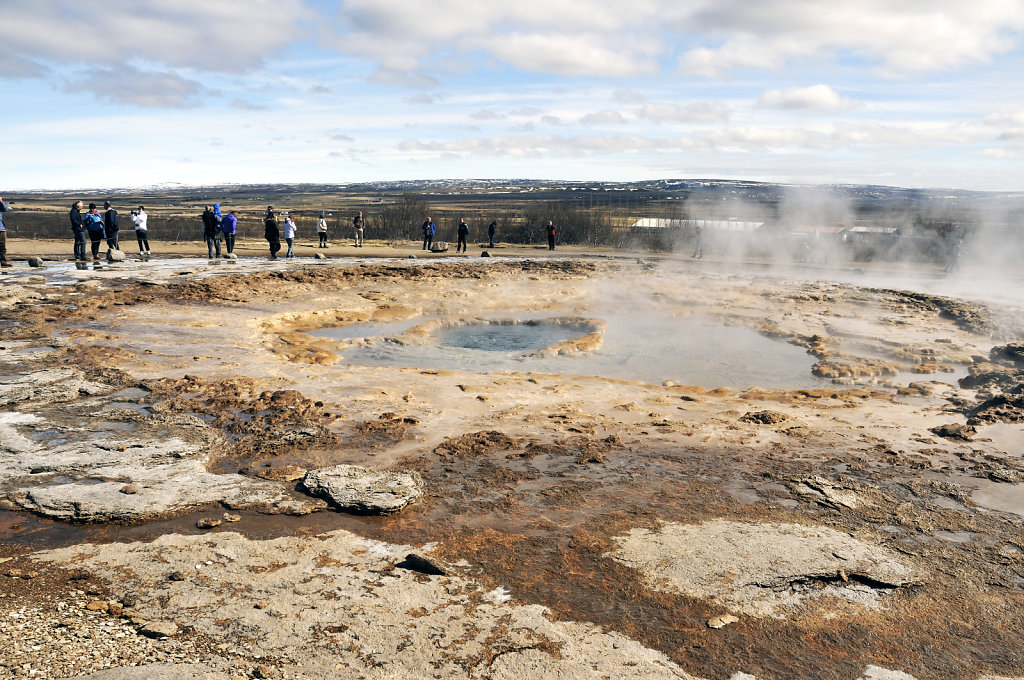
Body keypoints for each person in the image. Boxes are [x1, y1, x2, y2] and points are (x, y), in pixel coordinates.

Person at [0, 196, 9, 267]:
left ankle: (3, 261)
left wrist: (1, 202)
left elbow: (5, 209)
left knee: (2, 247)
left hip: (1, 228)